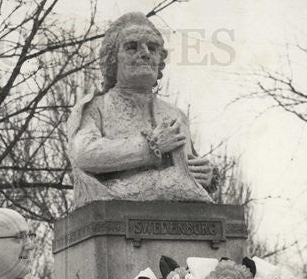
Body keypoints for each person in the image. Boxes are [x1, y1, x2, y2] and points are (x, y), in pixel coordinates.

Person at [67, 12, 216, 208]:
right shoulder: (96, 106)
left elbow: (188, 171)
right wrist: (151, 147)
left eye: (153, 48)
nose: (145, 53)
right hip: (115, 213)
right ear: (113, 59)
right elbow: (85, 154)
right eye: (132, 47)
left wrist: (207, 175)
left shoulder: (175, 115)